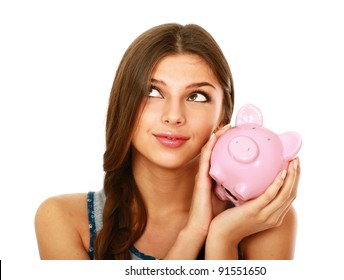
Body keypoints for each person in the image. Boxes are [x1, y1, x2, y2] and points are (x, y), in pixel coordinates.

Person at [34, 23, 300, 260]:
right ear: (123, 104)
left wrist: (223, 237)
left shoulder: (264, 221)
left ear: (224, 117)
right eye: (152, 92)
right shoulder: (63, 220)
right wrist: (194, 232)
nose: (173, 116)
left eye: (196, 96)